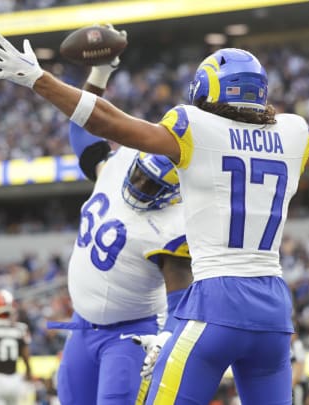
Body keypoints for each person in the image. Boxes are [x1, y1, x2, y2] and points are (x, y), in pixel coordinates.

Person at [0, 32, 309, 404]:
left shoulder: (194, 129)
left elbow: (109, 123)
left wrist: (40, 80)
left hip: (213, 306)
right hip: (272, 309)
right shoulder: (290, 133)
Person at [39, 26, 192, 405]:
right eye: (141, 175)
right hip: (82, 329)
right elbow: (83, 133)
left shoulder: (172, 226)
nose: (141, 185)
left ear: (171, 193)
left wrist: (166, 341)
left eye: (153, 184)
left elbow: (183, 304)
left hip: (130, 334)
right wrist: (100, 75)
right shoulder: (117, 167)